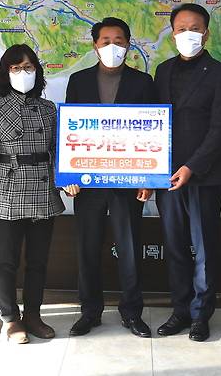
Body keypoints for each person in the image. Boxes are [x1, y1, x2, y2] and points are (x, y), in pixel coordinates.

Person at [63, 17, 156, 338]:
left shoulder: (143, 82)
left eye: (119, 40)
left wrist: (148, 179)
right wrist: (69, 175)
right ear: (95, 45)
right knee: (87, 248)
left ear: (128, 45)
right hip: (87, 182)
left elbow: (151, 134)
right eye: (105, 41)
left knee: (129, 249)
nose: (112, 47)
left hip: (127, 182)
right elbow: (70, 131)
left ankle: (132, 312)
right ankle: (90, 311)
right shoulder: (79, 80)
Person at [153, 3, 221, 342]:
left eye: (196, 28)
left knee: (203, 248)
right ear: (173, 34)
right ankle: (180, 310)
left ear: (207, 33)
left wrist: (191, 167)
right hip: (164, 177)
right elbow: (152, 122)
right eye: (182, 28)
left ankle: (202, 314)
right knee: (174, 246)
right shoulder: (162, 71)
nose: (189, 34)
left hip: (204, 175)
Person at [0, 44, 65, 344]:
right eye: (15, 68)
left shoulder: (48, 108)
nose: (22, 73)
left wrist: (67, 179)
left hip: (43, 191)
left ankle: (34, 316)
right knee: (7, 262)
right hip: (7, 194)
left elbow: (59, 152)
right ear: (5, 72)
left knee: (39, 261)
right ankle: (10, 319)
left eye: (28, 67)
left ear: (37, 71)